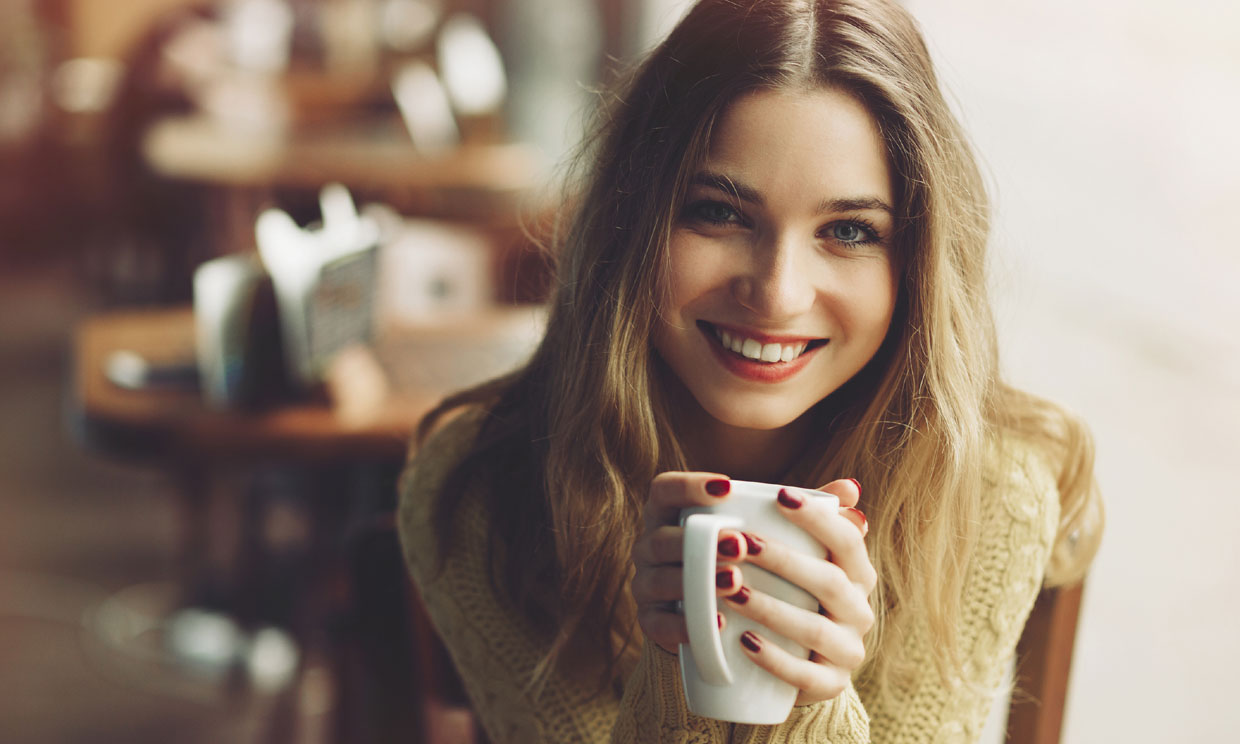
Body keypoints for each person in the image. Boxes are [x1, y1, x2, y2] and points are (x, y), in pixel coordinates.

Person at [398, 0, 1104, 741]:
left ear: (919, 266)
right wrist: (683, 664)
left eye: (850, 231)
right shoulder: (479, 491)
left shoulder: (985, 488)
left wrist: (808, 700)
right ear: (630, 219)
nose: (777, 293)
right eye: (720, 213)